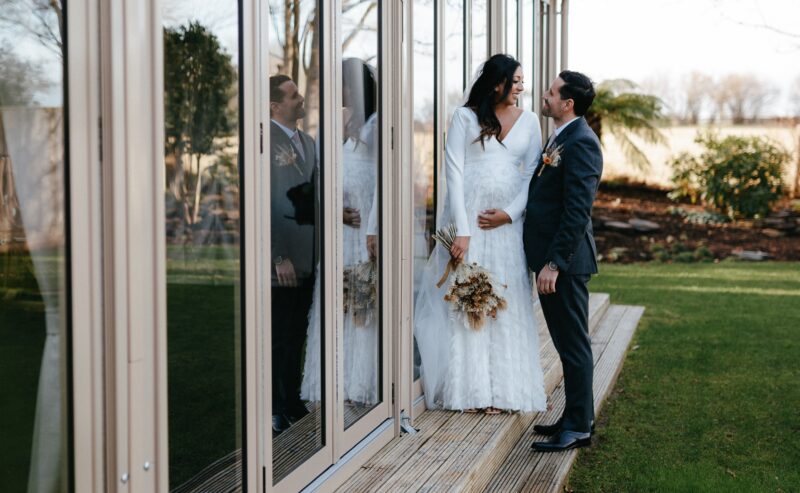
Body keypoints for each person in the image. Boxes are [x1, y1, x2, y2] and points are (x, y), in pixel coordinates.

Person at [414, 54, 547, 414]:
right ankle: (470, 391)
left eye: (522, 81)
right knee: (468, 298)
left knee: (504, 299)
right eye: (516, 81)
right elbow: (453, 173)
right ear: (497, 83)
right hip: (469, 219)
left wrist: (510, 213)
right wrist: (464, 230)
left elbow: (532, 172)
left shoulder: (530, 121)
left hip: (507, 227)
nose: (522, 87)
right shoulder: (464, 116)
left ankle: (504, 391)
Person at [525, 71, 602, 452]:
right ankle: (577, 416)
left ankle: (577, 428)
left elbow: (576, 211)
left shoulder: (582, 143)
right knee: (567, 344)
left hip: (566, 264)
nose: (545, 95)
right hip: (555, 260)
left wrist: (554, 263)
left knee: (573, 346)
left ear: (567, 103)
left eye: (551, 92)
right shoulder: (563, 137)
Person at [301, 58, 380, 410]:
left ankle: (359, 382)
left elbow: (385, 184)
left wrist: (374, 229)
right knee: (336, 305)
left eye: (342, 83)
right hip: (338, 235)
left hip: (366, 236)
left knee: (362, 306)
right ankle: (331, 382)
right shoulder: (332, 126)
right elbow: (316, 182)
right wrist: (332, 211)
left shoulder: (377, 126)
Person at [269, 74, 318, 434]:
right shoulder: (262, 141)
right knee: (277, 332)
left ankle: (292, 400)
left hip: (310, 253)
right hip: (283, 256)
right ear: (274, 106)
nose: (300, 98)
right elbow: (263, 203)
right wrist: (277, 255)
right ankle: (273, 404)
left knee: (298, 329)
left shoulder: (310, 142)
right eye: (292, 95)